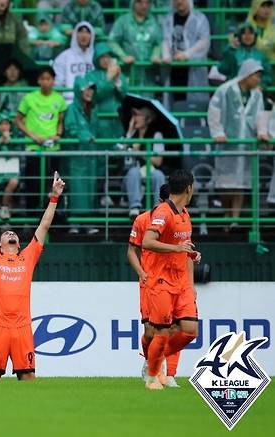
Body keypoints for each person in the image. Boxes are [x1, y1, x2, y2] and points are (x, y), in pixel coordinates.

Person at [0, 170, 65, 380]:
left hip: (22, 327)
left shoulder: (28, 256)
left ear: (19, 244)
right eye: (6, 233)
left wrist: (54, 197)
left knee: (28, 379)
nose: (10, 233)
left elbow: (44, 225)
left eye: (14, 234)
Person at [141, 169, 201, 390]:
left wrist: (190, 254)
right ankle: (153, 374)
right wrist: (177, 248)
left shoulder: (184, 213)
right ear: (189, 188)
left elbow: (183, 247)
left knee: (189, 329)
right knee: (162, 332)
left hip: (181, 280)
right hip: (162, 280)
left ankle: (153, 361)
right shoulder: (163, 212)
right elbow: (147, 241)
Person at [127, 183, 184, 388]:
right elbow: (131, 251)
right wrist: (141, 272)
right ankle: (149, 361)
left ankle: (170, 374)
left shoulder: (181, 218)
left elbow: (184, 250)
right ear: (161, 201)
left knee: (174, 328)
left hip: (174, 282)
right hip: (150, 282)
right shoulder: (143, 220)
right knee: (151, 332)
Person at [208, 59, 267, 232]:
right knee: (226, 184)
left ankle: (235, 219)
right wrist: (218, 132)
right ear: (247, 75)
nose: (258, 80)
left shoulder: (257, 95)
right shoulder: (224, 90)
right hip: (227, 144)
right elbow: (214, 112)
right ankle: (227, 214)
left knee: (241, 183)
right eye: (256, 76)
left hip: (247, 145)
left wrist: (262, 131)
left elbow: (260, 115)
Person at [16, 67, 67, 205]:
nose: (46, 82)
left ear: (53, 81)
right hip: (34, 148)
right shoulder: (29, 98)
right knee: (33, 183)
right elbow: (18, 120)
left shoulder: (59, 99)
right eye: (43, 78)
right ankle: (31, 216)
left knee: (53, 184)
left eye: (48, 79)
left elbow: (61, 121)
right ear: (39, 80)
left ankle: (55, 219)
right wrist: (32, 135)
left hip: (53, 148)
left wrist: (58, 134)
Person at [63, 76, 99, 234]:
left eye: (91, 88)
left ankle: (89, 223)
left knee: (90, 188)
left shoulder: (93, 109)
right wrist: (85, 137)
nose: (89, 92)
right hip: (76, 157)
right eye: (86, 89)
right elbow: (70, 130)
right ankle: (75, 223)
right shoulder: (72, 109)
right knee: (77, 189)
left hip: (90, 157)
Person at [120, 107, 167, 218]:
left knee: (158, 175)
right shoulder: (129, 135)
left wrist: (139, 152)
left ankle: (158, 211)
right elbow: (118, 152)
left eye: (139, 115)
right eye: (134, 115)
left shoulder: (156, 135)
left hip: (149, 176)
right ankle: (134, 208)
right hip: (129, 181)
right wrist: (130, 131)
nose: (135, 118)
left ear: (148, 120)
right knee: (134, 172)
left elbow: (158, 161)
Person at [161, 0, 210, 106]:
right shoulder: (167, 20)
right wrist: (166, 55)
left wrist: (186, 55)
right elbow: (165, 40)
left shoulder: (200, 19)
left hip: (193, 69)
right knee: (173, 104)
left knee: (193, 106)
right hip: (173, 70)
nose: (179, 2)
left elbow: (204, 42)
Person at [108, 0, 162, 94]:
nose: (144, 6)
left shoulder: (154, 22)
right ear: (133, 3)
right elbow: (112, 41)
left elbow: (158, 43)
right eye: (140, 2)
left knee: (147, 105)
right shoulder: (123, 21)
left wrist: (155, 55)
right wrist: (123, 56)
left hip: (147, 75)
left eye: (147, 2)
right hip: (128, 74)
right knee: (128, 103)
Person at [85, 42, 127, 140]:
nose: (105, 60)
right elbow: (94, 96)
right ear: (96, 58)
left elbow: (126, 96)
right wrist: (108, 79)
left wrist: (117, 80)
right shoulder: (90, 76)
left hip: (118, 121)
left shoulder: (119, 74)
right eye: (102, 57)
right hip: (99, 121)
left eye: (108, 56)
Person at [53, 21, 96, 106]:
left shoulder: (96, 56)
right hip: (69, 101)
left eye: (87, 32)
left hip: (92, 102)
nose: (84, 35)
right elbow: (58, 83)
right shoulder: (64, 56)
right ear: (75, 34)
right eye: (80, 32)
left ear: (92, 36)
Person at [0, 113, 20, 220]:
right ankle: (4, 212)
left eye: (6, 124)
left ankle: (4, 207)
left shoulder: (15, 136)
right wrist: (1, 140)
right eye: (1, 124)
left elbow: (19, 147)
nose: (4, 126)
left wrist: (11, 140)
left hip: (11, 171)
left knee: (14, 182)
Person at [218, 22, 272, 88]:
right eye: (244, 33)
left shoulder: (260, 55)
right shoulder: (232, 52)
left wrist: (262, 85)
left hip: (255, 91)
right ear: (239, 36)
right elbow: (223, 69)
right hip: (236, 89)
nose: (247, 36)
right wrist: (230, 50)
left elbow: (268, 75)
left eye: (251, 33)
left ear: (255, 35)